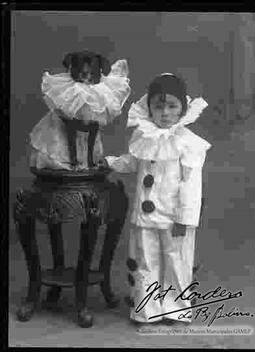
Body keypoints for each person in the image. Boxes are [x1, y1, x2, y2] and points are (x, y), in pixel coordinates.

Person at [100, 73, 211, 326]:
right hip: (145, 214)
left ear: (182, 108)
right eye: (158, 106)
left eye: (172, 106)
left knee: (176, 262)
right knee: (144, 260)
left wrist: (185, 218)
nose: (165, 113)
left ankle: (175, 309)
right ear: (149, 108)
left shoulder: (188, 143)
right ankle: (147, 309)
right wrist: (110, 162)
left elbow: (191, 185)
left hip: (174, 217)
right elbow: (133, 161)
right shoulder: (143, 136)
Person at [29, 50, 131, 170]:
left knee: (92, 130)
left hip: (87, 122)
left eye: (90, 70)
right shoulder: (70, 93)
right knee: (65, 133)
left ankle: (89, 161)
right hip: (63, 135)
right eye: (80, 69)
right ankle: (72, 161)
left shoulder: (100, 93)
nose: (85, 74)